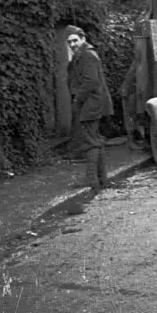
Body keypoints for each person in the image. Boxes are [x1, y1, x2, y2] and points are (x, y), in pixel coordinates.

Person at [66, 25, 113, 191]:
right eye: (69, 42)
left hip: (90, 104)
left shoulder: (87, 55)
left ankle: (92, 179)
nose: (72, 44)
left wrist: (77, 100)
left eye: (75, 40)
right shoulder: (83, 54)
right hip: (93, 103)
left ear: (83, 39)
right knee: (96, 140)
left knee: (91, 141)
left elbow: (90, 82)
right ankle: (102, 178)